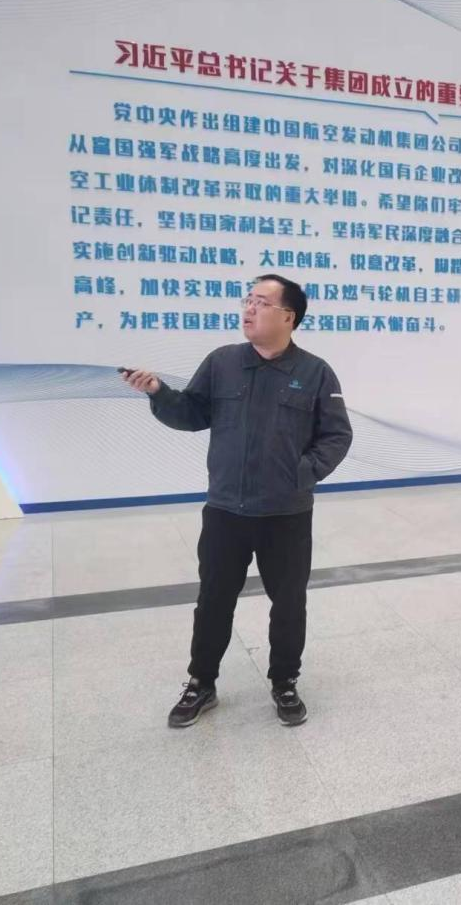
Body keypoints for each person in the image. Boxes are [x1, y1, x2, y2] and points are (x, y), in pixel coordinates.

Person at [122, 274, 352, 729]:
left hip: (286, 514)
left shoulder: (315, 372)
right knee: (213, 600)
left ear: (288, 316)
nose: (249, 309)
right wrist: (158, 393)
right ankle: (201, 682)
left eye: (261, 302)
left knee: (288, 603)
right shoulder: (222, 362)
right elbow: (192, 413)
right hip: (225, 509)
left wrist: (301, 475)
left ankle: (285, 681)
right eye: (248, 300)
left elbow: (337, 435)